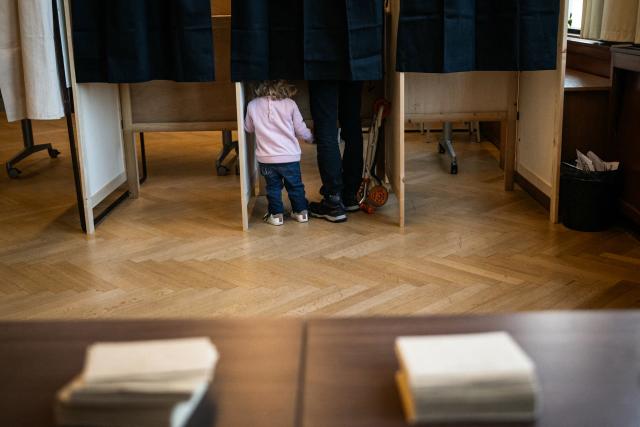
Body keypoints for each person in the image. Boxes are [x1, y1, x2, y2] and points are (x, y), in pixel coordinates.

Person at [244, 80, 313, 226]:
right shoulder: (290, 104)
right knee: (295, 186)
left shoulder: (252, 105)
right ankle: (301, 212)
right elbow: (300, 129)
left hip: (266, 158)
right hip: (290, 157)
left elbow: (248, 128)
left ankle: (276, 215)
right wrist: (311, 138)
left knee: (273, 188)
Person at [308, 81, 364, 223]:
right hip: (356, 62)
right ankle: (350, 195)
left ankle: (333, 201)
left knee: (326, 128)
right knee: (353, 126)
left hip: (324, 63)